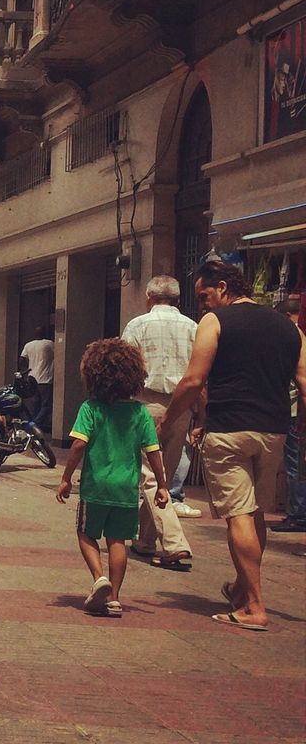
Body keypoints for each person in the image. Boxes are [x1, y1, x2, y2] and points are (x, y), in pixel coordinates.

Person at [158, 259, 306, 631]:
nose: (202, 304)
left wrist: (169, 419)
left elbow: (193, 380)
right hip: (274, 432)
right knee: (254, 513)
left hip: (228, 432)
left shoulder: (216, 322)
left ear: (223, 288)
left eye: (204, 295)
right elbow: (305, 382)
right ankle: (242, 589)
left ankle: (254, 606)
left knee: (238, 513)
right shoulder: (291, 330)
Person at [56, 338, 169, 617]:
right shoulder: (140, 412)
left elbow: (79, 445)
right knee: (118, 540)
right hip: (127, 489)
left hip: (96, 488)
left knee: (85, 532)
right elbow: (153, 451)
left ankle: (99, 578)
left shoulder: (90, 409)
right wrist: (163, 485)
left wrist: (66, 477)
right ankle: (115, 597)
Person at [121, 275, 195, 570]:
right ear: (177, 300)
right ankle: (145, 541)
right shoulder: (194, 327)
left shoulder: (137, 325)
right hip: (182, 407)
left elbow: (125, 369)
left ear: (149, 298)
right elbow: (201, 375)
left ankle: (175, 544)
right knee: (162, 471)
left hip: (144, 405)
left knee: (151, 476)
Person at [269, 296, 306, 533]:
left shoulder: (291, 337)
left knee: (295, 465)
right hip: (293, 412)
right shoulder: (299, 337)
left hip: (293, 413)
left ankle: (299, 514)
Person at [19, 322, 55, 432]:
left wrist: (25, 371)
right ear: (45, 333)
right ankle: (34, 425)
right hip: (45, 378)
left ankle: (34, 426)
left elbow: (22, 359)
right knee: (46, 405)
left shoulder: (28, 345)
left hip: (32, 378)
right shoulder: (49, 344)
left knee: (35, 404)